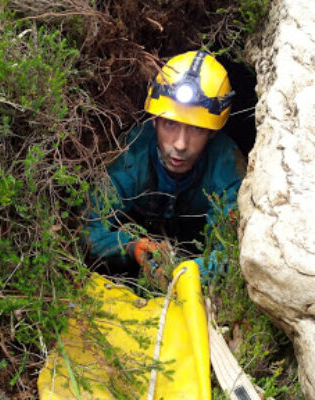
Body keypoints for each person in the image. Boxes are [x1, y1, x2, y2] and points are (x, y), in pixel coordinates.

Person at [83, 50, 246, 286]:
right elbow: (89, 228)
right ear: (154, 120)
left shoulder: (227, 164)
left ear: (212, 133)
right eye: (170, 124)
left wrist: (185, 272)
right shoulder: (131, 156)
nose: (180, 144)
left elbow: (231, 252)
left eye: (197, 129)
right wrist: (130, 248)